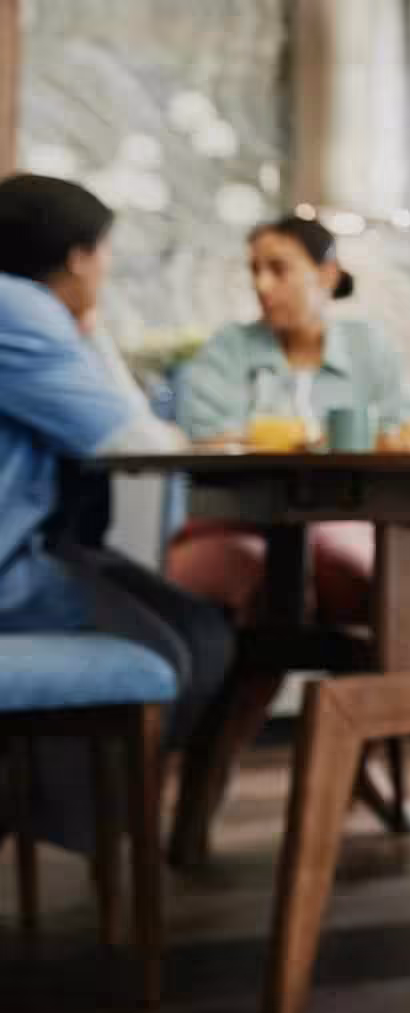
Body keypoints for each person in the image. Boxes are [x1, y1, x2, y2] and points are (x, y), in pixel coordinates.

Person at [0, 173, 233, 851]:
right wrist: (90, 327)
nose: (107, 270)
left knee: (201, 633)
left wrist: (87, 324)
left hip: (34, 549)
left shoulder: (24, 309)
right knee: (176, 648)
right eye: (105, 255)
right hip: (11, 569)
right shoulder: (19, 309)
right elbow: (129, 436)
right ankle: (65, 820)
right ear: (78, 256)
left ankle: (84, 820)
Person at [165, 214, 410, 625]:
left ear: (327, 275)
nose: (262, 285)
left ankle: (365, 689)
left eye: (279, 269)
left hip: (347, 518)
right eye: (255, 270)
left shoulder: (369, 347)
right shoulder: (228, 349)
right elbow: (209, 437)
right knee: (259, 582)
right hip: (234, 521)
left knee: (359, 573)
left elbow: (405, 433)